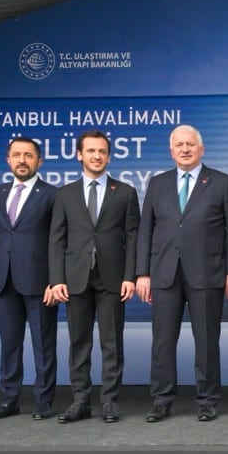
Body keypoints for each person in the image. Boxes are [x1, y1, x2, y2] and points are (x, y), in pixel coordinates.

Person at [136, 125, 228, 423]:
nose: (185, 149)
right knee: (163, 342)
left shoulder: (221, 182)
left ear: (201, 149)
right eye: (179, 145)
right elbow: (145, 230)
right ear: (171, 151)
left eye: (190, 144)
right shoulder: (157, 184)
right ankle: (161, 400)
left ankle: (207, 400)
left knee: (206, 342)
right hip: (164, 273)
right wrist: (142, 273)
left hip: (207, 273)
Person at [49, 131, 140, 424]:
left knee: (111, 343)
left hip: (113, 278)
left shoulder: (125, 192)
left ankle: (110, 401)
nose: (97, 156)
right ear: (79, 155)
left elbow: (133, 237)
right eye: (91, 151)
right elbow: (57, 239)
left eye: (102, 151)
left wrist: (130, 276)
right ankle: (80, 401)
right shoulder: (65, 194)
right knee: (79, 342)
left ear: (109, 157)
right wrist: (57, 279)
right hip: (75, 278)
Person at [0, 137, 59, 420]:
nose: (22, 160)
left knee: (43, 345)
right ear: (8, 160)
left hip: (40, 282)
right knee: (9, 344)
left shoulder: (52, 195)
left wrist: (55, 279)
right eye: (17, 155)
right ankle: (9, 400)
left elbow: (58, 241)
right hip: (2, 280)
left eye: (29, 155)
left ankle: (43, 401)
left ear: (39, 161)